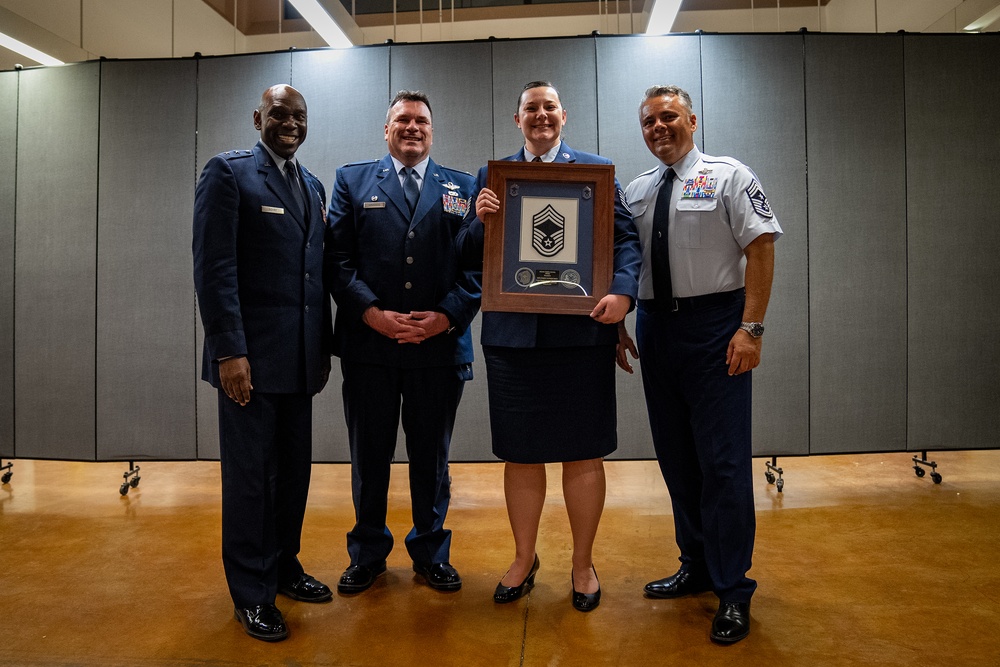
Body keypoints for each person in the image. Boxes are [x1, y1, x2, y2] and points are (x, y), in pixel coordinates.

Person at [459, 81, 641, 612]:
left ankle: (582, 563)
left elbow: (625, 241)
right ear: (517, 119)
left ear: (564, 116)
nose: (540, 116)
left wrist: (624, 294)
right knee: (520, 453)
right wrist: (479, 218)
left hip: (580, 333)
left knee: (584, 451)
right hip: (513, 339)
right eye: (530, 109)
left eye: (549, 108)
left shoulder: (596, 173)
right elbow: (466, 255)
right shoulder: (492, 179)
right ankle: (523, 557)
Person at [617, 84, 782, 644]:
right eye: (648, 121)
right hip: (657, 330)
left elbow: (761, 246)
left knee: (726, 465)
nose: (658, 127)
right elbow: (619, 259)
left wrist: (750, 328)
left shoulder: (731, 176)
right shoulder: (636, 190)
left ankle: (733, 588)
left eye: (669, 117)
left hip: (717, 329)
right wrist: (618, 321)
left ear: (692, 118)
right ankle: (697, 565)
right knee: (678, 460)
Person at [193, 84, 333, 642]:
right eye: (279, 114)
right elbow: (214, 269)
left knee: (293, 476)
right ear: (258, 117)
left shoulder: (312, 184)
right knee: (251, 481)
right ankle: (250, 594)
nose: (290, 123)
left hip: (299, 362)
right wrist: (229, 351)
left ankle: (284, 568)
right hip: (248, 363)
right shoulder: (228, 175)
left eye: (299, 116)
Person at [325, 90, 477, 596]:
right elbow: (337, 261)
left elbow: (478, 267)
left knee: (431, 457)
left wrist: (445, 318)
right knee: (369, 455)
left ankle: (431, 550)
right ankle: (367, 553)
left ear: (432, 130)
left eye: (421, 121)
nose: (412, 127)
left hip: (438, 349)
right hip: (371, 349)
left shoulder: (464, 186)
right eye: (402, 119)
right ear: (385, 128)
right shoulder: (351, 180)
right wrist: (372, 315)